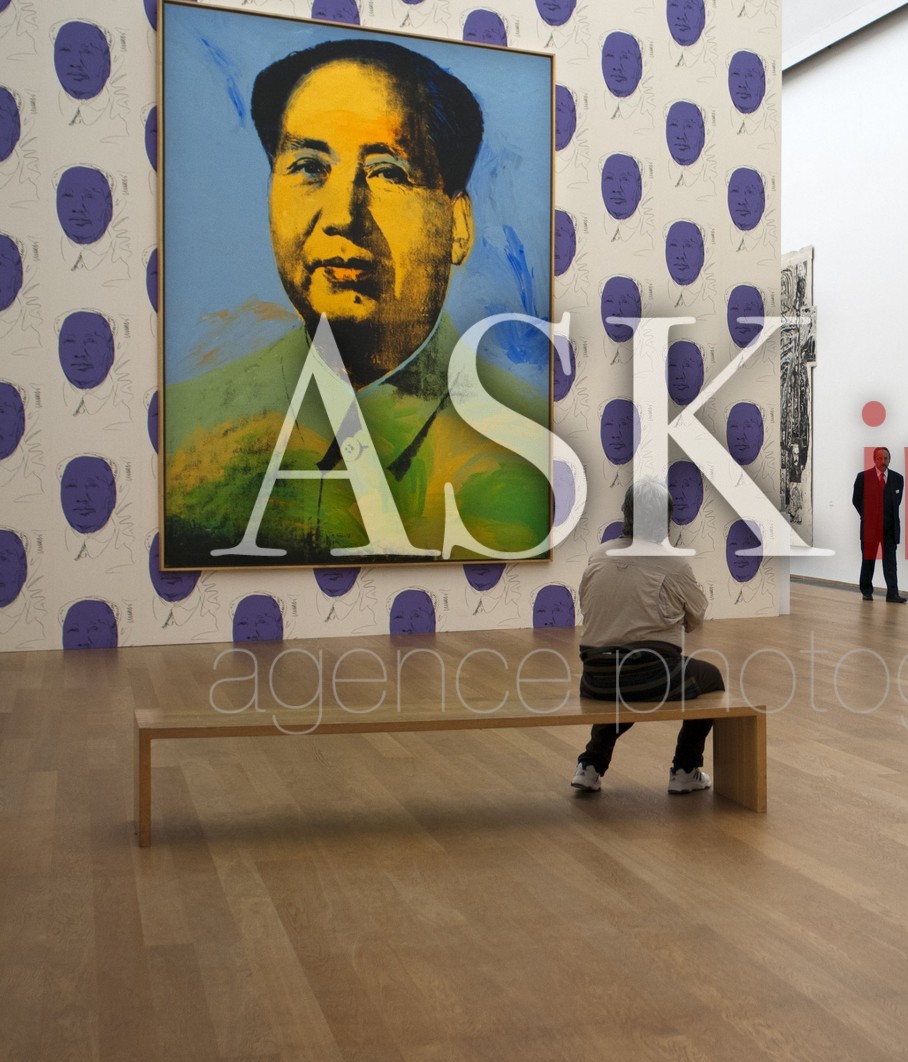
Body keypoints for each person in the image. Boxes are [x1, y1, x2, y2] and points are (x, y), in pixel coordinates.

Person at [162, 38, 548, 566]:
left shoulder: (529, 449)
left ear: (458, 226)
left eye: (387, 173)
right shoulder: (186, 438)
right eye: (308, 167)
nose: (343, 214)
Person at [570, 479, 725, 795]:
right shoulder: (673, 563)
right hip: (650, 674)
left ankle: (590, 765)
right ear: (666, 518)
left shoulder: (599, 555)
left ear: (626, 512)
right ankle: (685, 769)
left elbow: (587, 606)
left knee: (624, 686)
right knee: (710, 678)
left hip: (595, 677)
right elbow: (696, 616)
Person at [852, 446, 905, 602]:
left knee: (891, 562)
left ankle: (892, 594)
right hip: (870, 528)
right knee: (868, 561)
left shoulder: (898, 479)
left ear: (890, 459)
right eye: (880, 458)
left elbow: (897, 502)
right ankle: (866, 591)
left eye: (886, 458)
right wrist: (867, 516)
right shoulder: (863, 477)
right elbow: (856, 500)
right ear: (874, 459)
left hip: (890, 528)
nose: (883, 461)